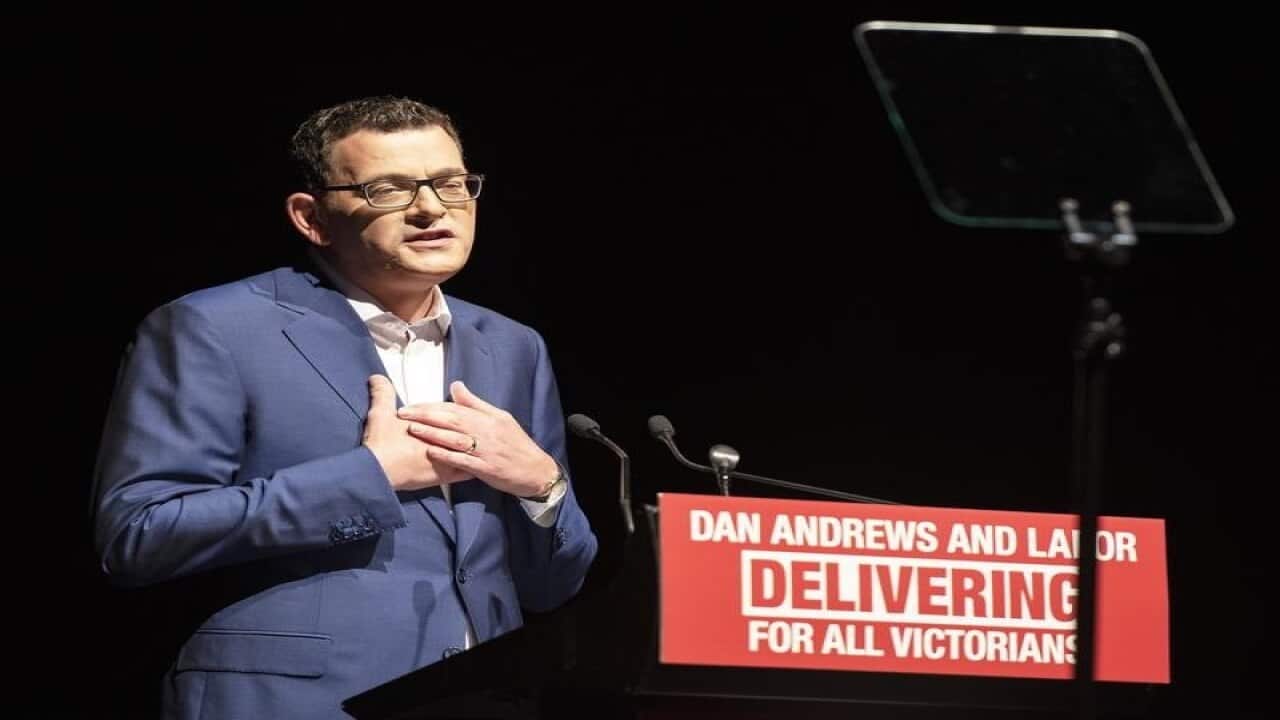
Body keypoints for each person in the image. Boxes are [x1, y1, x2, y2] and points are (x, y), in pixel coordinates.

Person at [91, 95, 598, 719]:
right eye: (388, 189)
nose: (431, 208)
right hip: (292, 702)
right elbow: (138, 536)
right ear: (312, 217)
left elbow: (551, 586)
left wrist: (542, 487)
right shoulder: (213, 328)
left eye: (450, 184)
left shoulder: (514, 346)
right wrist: (371, 476)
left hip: (484, 699)